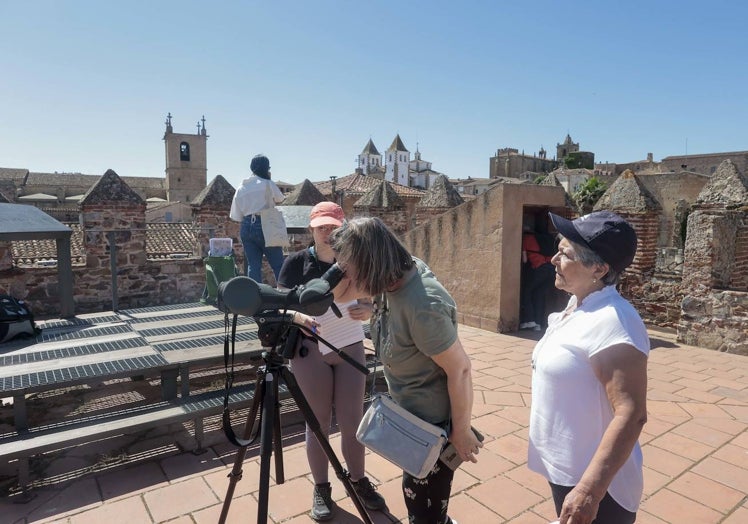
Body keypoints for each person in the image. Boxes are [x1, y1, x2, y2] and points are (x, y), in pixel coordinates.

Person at [329, 217, 482, 524]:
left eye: (350, 267)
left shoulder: (424, 305)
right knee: (418, 498)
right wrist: (334, 275)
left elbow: (461, 370)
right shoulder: (393, 273)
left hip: (433, 427)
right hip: (411, 416)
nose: (345, 274)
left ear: (371, 264)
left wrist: (461, 432)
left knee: (425, 512)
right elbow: (341, 294)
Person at [528, 211, 649, 524]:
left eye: (565, 253)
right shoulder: (578, 305)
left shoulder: (613, 320)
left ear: (599, 268)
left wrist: (589, 491)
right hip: (567, 470)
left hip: (597, 485)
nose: (553, 258)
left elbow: (631, 413)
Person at [276, 202, 386, 521]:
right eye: (321, 226)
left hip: (349, 345)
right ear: (311, 228)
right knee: (318, 424)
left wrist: (369, 309)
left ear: (343, 228)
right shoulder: (295, 263)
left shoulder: (356, 261)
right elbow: (282, 304)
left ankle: (359, 480)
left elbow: (370, 299)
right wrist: (297, 316)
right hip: (311, 350)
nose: (327, 232)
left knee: (353, 422)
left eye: (333, 226)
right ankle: (322, 488)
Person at [229, 154, 285, 283]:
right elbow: (280, 198)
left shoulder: (241, 187)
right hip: (266, 224)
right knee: (278, 265)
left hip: (246, 226)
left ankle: (255, 298)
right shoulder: (267, 183)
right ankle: (285, 294)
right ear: (267, 168)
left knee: (253, 266)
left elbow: (236, 215)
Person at [519, 218, 556, 331]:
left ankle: (529, 321)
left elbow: (525, 260)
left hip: (539, 269)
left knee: (526, 292)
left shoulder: (526, 238)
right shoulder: (546, 238)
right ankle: (538, 324)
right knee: (539, 295)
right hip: (551, 269)